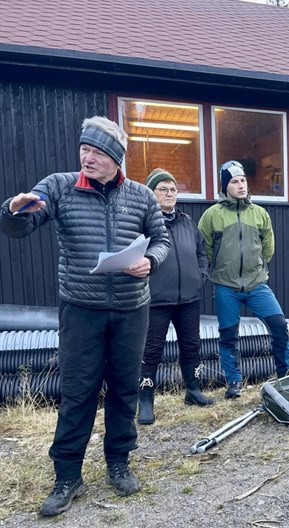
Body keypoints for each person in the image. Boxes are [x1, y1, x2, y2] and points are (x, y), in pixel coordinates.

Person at [0, 116, 170, 516]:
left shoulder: (143, 197)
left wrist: (150, 261)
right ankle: (67, 475)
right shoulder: (59, 185)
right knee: (78, 391)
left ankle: (119, 463)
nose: (87, 158)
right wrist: (12, 212)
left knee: (125, 387)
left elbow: (161, 239)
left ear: (116, 159)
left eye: (97, 152)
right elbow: (22, 225)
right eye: (84, 150)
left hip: (131, 310)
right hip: (81, 309)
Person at [198, 160, 289, 399]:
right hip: (226, 286)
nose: (240, 186)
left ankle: (285, 375)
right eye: (234, 181)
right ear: (224, 186)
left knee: (280, 326)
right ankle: (234, 382)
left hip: (256, 284)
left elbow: (268, 247)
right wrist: (219, 270)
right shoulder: (211, 216)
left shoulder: (259, 214)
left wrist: (257, 266)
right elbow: (205, 249)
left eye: (243, 181)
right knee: (228, 335)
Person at [138, 169, 214, 425]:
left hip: (189, 299)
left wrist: (200, 276)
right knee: (150, 351)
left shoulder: (187, 222)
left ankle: (193, 390)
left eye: (173, 189)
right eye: (163, 189)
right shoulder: (143, 222)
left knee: (192, 347)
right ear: (151, 193)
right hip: (156, 300)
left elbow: (202, 252)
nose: (169, 194)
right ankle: (146, 400)